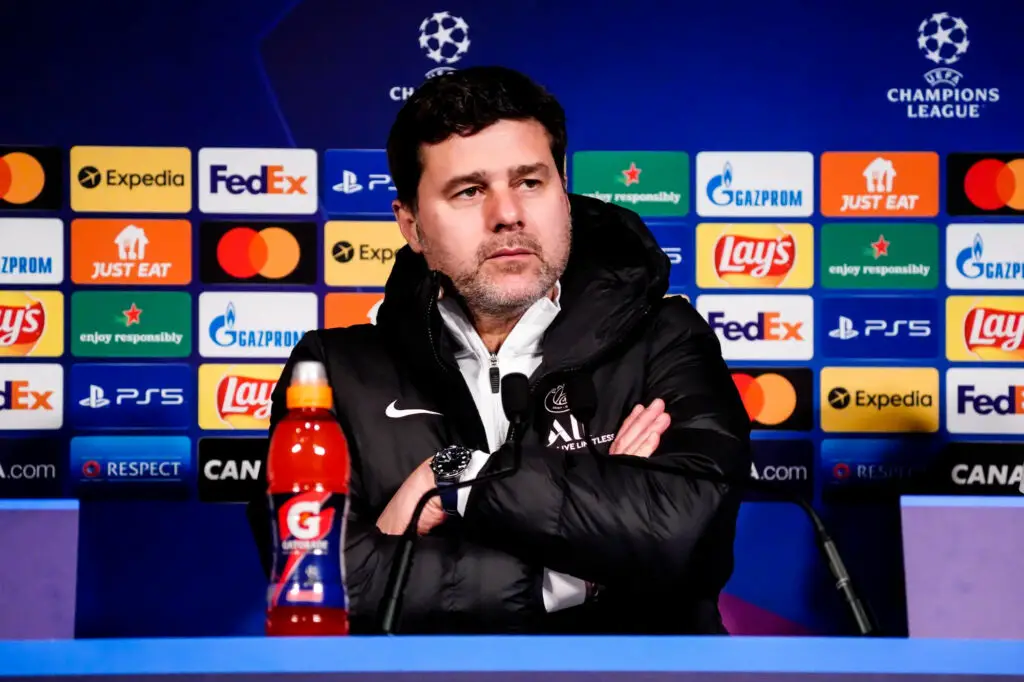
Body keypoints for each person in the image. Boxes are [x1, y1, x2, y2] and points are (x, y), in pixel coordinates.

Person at [247, 65, 751, 635]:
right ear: (411, 226)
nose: (508, 214)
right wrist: (583, 566)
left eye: (530, 182)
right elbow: (328, 584)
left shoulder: (664, 337)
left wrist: (458, 476)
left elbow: (687, 536)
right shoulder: (332, 371)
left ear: (563, 191)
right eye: (469, 191)